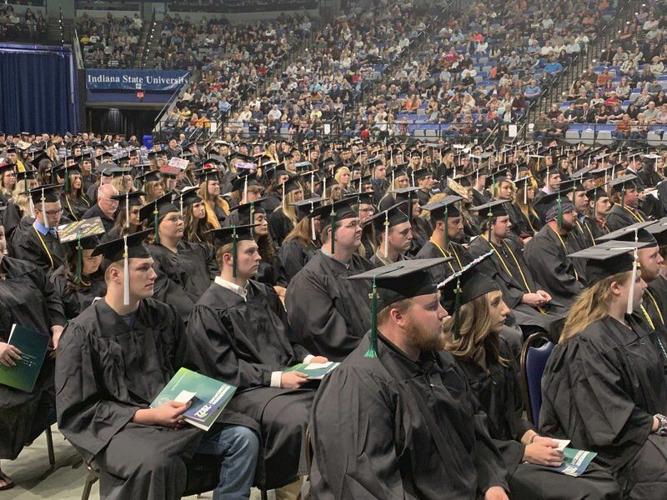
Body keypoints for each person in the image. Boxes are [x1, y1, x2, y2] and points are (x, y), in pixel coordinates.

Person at [55, 230, 260, 500]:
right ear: (114, 275)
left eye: (152, 267)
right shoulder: (83, 332)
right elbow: (78, 410)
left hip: (175, 418)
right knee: (159, 462)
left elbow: (188, 369)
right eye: (144, 268)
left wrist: (189, 403)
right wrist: (146, 416)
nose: (154, 275)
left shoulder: (163, 315)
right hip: (121, 429)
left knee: (244, 437)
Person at [310, 258, 509, 499]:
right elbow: (370, 485)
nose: (444, 314)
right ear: (398, 317)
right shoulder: (359, 383)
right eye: (432, 306)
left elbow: (475, 430)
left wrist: (493, 483)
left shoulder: (441, 362)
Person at [442, 261, 622, 500]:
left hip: (519, 452)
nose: (507, 310)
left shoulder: (500, 350)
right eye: (496, 303)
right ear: (473, 313)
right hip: (493, 468)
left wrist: (533, 436)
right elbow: (470, 441)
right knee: (588, 494)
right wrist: (524, 451)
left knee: (603, 477)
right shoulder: (449, 370)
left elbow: (515, 415)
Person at [188, 224, 326, 496]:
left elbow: (291, 339)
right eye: (250, 252)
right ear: (228, 259)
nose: (259, 256)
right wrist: (277, 378)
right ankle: (290, 493)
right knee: (298, 418)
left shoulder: (263, 293)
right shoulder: (209, 308)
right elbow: (223, 369)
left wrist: (309, 358)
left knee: (336, 396)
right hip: (245, 391)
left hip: (288, 378)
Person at [540, 244, 667, 499]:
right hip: (616, 450)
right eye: (638, 280)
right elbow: (605, 416)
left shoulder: (634, 322)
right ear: (615, 287)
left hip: (646, 428)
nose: (645, 286)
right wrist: (654, 422)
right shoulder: (585, 345)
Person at [0, 222, 66, 490]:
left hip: (43, 358)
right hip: (7, 368)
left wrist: (58, 326)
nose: (0, 243)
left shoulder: (24, 269)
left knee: (71, 386)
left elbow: (51, 296)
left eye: (0, 235)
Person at [286, 197, 373, 361]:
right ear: (332, 233)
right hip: (348, 367)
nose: (360, 228)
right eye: (352, 225)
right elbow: (329, 338)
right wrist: (378, 347)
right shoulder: (308, 281)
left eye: (358, 223)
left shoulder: (362, 265)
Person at [469, 200, 563, 336]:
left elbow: (527, 272)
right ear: (490, 225)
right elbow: (493, 286)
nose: (510, 224)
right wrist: (523, 297)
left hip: (529, 299)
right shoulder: (478, 250)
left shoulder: (510, 243)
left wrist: (538, 290)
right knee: (545, 325)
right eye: (504, 221)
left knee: (565, 314)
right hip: (509, 305)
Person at [138, 194, 215, 321]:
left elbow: (215, 264)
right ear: (156, 226)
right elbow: (166, 294)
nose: (180, 222)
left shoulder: (196, 249)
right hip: (187, 322)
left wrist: (214, 297)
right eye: (173, 219)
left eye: (180, 218)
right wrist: (201, 315)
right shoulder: (152, 257)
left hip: (212, 310)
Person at [525, 193, 585, 307]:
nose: (575, 214)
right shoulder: (540, 244)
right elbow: (558, 279)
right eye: (569, 212)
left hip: (576, 291)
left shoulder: (570, 235)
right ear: (555, 217)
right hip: (560, 300)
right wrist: (587, 292)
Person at [49, 221, 106, 320]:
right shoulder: (60, 281)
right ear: (75, 259)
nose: (97, 261)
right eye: (90, 258)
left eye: (99, 254)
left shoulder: (102, 271)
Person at [9, 184, 66, 272]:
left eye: (59, 211)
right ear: (36, 212)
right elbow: (38, 275)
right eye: (51, 212)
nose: (57, 217)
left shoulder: (63, 225)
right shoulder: (26, 242)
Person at [279, 198, 322, 285]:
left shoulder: (317, 241)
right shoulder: (292, 245)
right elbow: (295, 275)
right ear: (308, 221)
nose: (322, 222)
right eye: (318, 219)